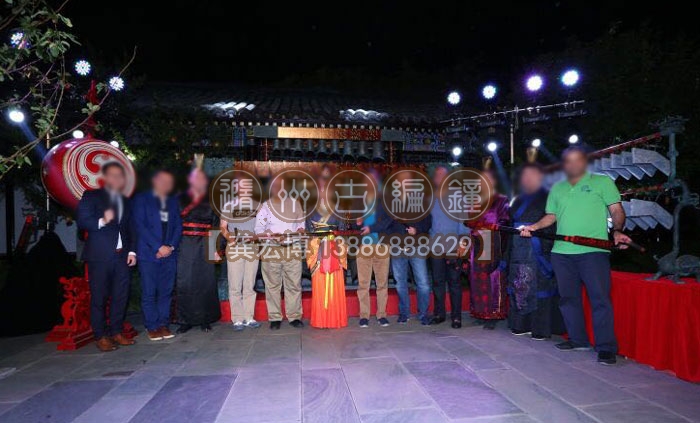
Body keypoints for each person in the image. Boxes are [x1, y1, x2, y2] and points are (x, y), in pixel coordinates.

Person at [521, 145, 632, 365]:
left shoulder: (602, 182)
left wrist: (617, 231)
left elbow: (616, 210)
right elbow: (551, 216)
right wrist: (533, 227)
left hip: (593, 252)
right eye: (568, 160)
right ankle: (578, 339)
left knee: (599, 299)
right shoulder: (557, 188)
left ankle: (606, 347)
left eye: (577, 159)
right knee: (568, 298)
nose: (572, 164)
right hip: (561, 253)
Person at [77, 162, 137, 352]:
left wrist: (132, 251)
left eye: (120, 175)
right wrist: (103, 220)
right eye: (113, 175)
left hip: (122, 257)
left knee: (121, 295)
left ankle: (116, 332)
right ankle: (100, 335)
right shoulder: (91, 195)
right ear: (105, 177)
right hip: (100, 256)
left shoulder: (126, 200)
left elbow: (131, 229)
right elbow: (82, 221)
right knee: (99, 297)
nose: (117, 178)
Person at [506, 163, 560, 340]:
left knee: (540, 286)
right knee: (520, 285)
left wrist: (538, 235)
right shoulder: (517, 198)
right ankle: (520, 325)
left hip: (539, 247)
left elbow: (553, 221)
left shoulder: (549, 195)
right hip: (518, 247)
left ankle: (540, 328)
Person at [132, 169, 182, 341]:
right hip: (149, 254)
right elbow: (140, 226)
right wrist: (158, 247)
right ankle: (152, 326)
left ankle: (163, 324)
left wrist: (171, 247)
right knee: (149, 292)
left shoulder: (172, 201)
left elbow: (178, 226)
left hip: (169, 254)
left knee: (166, 292)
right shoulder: (142, 198)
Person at [255, 176, 306, 330]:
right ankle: (275, 317)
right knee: (272, 285)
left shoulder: (296, 203)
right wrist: (271, 235)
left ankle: (294, 316)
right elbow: (258, 229)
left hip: (292, 248)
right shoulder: (265, 206)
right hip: (271, 249)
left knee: (294, 284)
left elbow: (301, 226)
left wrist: (299, 231)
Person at [176, 169, 221, 333]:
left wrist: (215, 249)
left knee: (205, 281)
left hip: (205, 244)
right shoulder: (180, 198)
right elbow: (173, 223)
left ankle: (205, 319)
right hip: (184, 244)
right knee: (185, 282)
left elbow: (216, 225)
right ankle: (185, 320)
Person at [305, 168, 348, 329]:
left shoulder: (339, 208)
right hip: (317, 253)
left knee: (335, 287)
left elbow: (342, 231)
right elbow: (308, 231)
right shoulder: (310, 209)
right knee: (319, 286)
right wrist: (317, 246)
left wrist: (335, 245)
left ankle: (335, 319)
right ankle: (320, 320)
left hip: (334, 251)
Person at [429, 165, 470, 329]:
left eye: (443, 175)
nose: (440, 178)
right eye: (437, 175)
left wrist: (463, 243)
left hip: (454, 246)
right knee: (437, 281)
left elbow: (463, 222)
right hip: (435, 246)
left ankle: (456, 317)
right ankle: (439, 314)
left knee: (454, 282)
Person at [469, 169, 509, 330]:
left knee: (491, 278)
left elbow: (505, 222)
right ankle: (480, 313)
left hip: (491, 242)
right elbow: (468, 221)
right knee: (477, 279)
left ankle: (492, 314)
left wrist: (489, 228)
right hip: (477, 242)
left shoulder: (501, 200)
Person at [219, 177, 261, 331]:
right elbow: (223, 227)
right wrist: (231, 239)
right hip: (235, 247)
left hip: (252, 247)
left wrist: (257, 236)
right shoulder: (229, 205)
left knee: (249, 284)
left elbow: (263, 226)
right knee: (235, 285)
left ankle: (249, 317)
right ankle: (237, 319)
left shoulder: (258, 206)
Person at [356, 171, 393, 328]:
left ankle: (381, 315)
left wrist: (371, 228)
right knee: (363, 284)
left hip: (382, 245)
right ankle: (364, 316)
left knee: (382, 283)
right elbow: (351, 223)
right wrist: (357, 223)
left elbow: (388, 220)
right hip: (364, 246)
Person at [388, 214, 432, 325]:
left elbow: (427, 221)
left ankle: (423, 314)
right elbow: (385, 222)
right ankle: (404, 313)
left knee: (423, 283)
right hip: (397, 247)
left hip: (417, 246)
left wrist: (417, 230)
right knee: (400, 283)